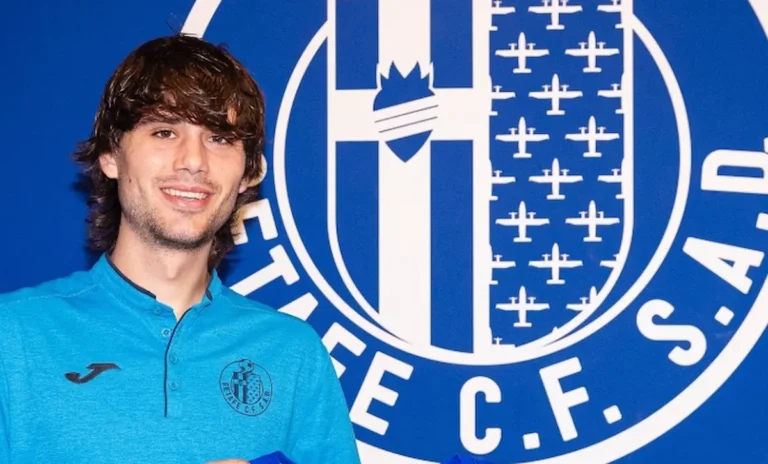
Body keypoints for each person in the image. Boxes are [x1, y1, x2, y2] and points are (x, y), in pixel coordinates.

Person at [0, 34, 361, 464]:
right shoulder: (13, 337)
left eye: (220, 139)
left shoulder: (294, 352)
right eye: (165, 131)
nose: (193, 161)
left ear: (249, 173)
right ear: (111, 156)